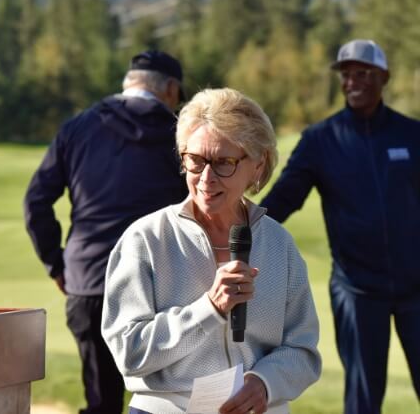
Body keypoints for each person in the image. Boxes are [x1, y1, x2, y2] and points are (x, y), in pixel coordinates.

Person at [101, 88, 321, 414]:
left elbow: (303, 350)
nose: (206, 178)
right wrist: (209, 309)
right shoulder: (145, 239)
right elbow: (128, 353)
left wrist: (265, 383)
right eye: (195, 161)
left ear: (257, 167)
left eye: (224, 163)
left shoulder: (279, 245)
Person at [24, 50, 189, 414]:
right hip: (160, 286)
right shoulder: (180, 134)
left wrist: (58, 264)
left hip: (89, 283)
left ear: (129, 83)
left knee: (102, 404)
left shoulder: (78, 127)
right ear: (171, 88)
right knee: (167, 402)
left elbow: (36, 202)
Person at [261, 39, 420, 413]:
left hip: (417, 288)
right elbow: (285, 197)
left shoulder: (412, 135)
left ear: (384, 78)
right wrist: (242, 228)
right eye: (346, 75)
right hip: (357, 291)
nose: (352, 82)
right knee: (363, 399)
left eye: (363, 73)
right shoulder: (320, 140)